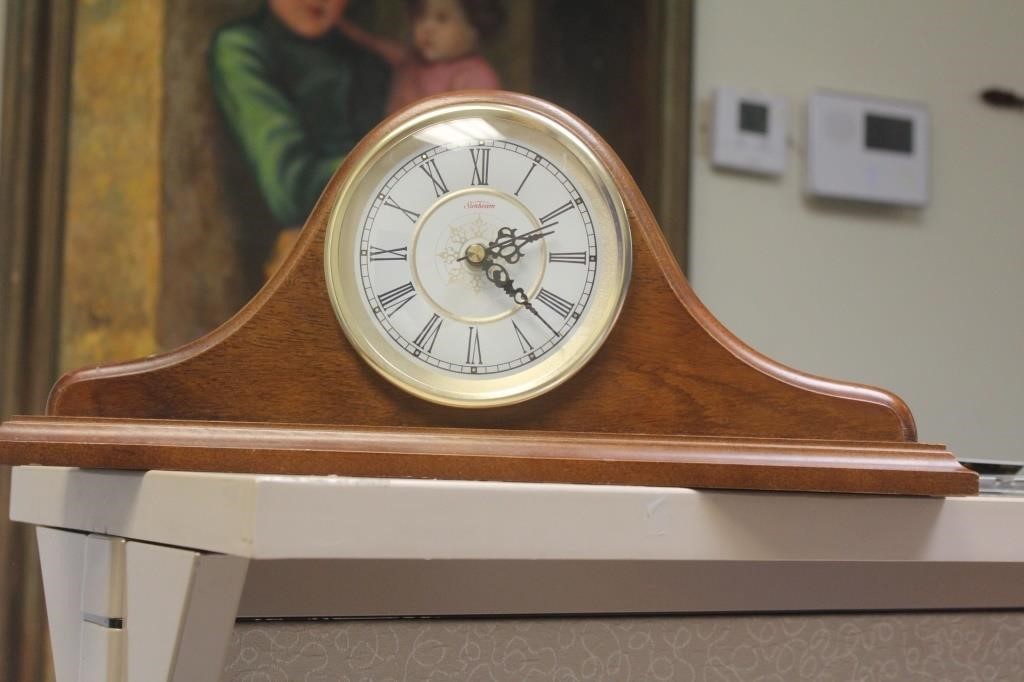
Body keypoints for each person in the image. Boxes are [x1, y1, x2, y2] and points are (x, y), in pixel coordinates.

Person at [209, 0, 390, 276]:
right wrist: (387, 166)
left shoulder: (371, 64)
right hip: (296, 258)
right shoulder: (243, 47)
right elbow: (293, 188)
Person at [338, 0, 503, 113]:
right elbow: (372, 43)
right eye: (420, 17)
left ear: (473, 30)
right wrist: (342, 26)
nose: (427, 28)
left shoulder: (475, 75)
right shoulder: (409, 60)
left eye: (442, 18)